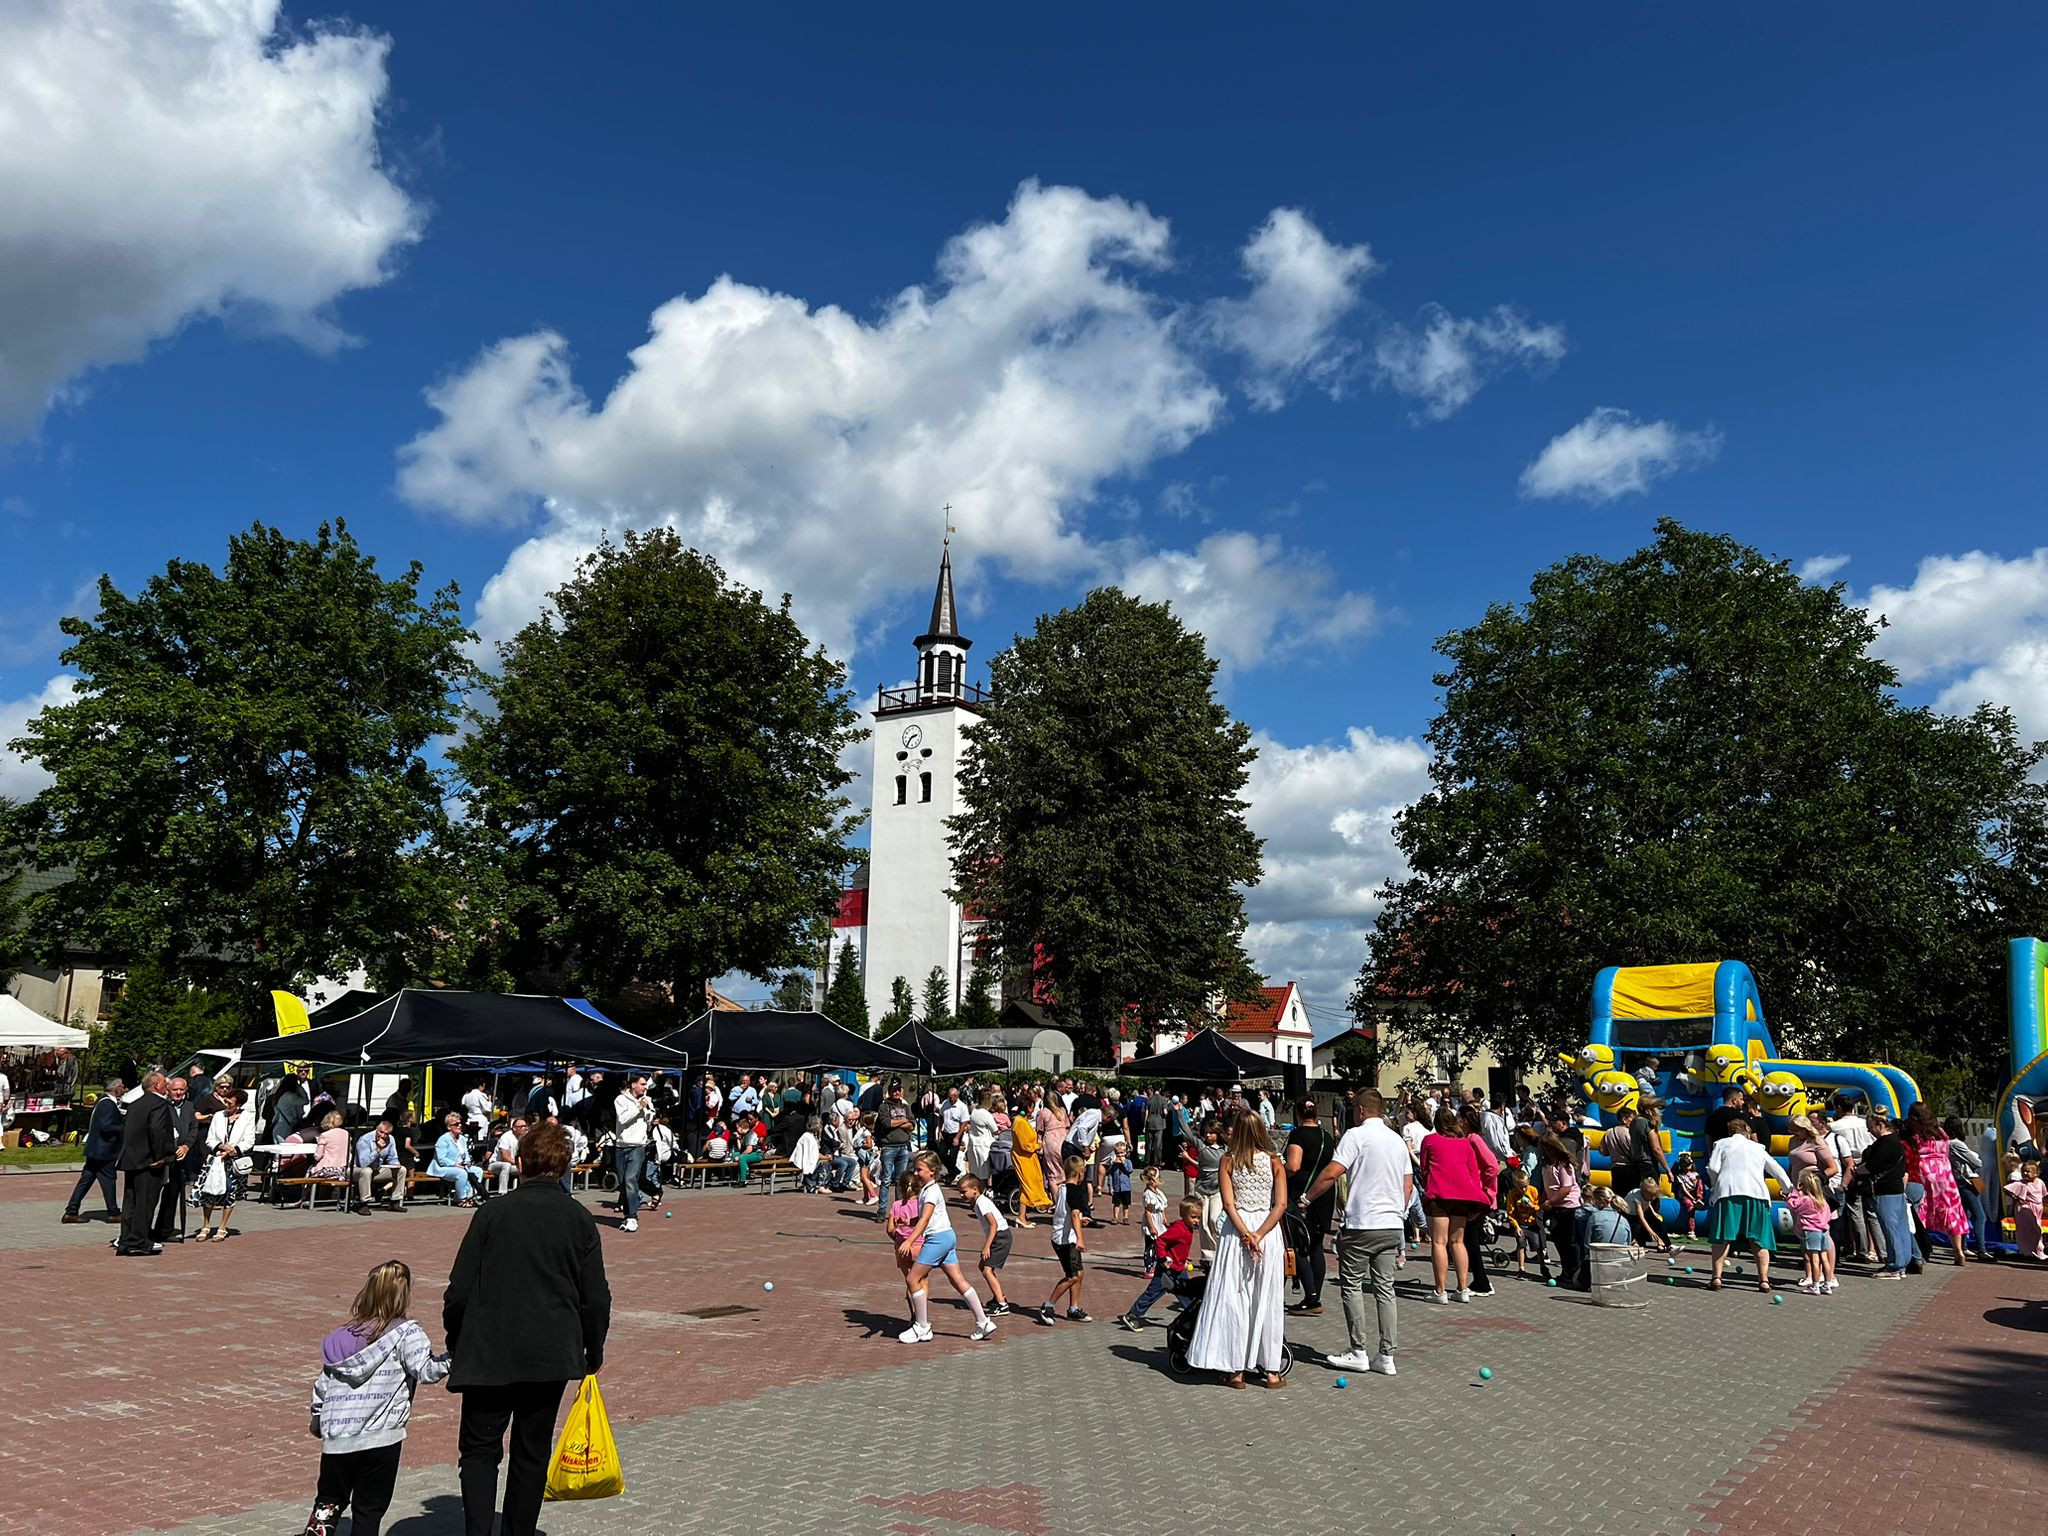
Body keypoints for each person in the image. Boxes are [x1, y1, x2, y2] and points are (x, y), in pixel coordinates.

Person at [444, 1124, 611, 1536]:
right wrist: (593, 1348)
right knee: (531, 1452)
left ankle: (478, 1530)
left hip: (488, 1350)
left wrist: (456, 1336)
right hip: (549, 1351)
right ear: (566, 1166)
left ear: (519, 1163)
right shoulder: (579, 1219)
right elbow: (596, 1298)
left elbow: (459, 1290)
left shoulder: (492, 1213)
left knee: (480, 1451)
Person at [303, 1260, 453, 1536]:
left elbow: (323, 1384)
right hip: (381, 1438)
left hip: (338, 1439)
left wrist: (317, 1417)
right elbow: (426, 1371)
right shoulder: (408, 1333)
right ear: (404, 1294)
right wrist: (453, 1358)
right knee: (368, 1511)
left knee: (327, 1504)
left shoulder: (340, 1338)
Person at [1302, 1088, 1409, 1376]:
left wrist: (1306, 1198)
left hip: (1363, 1223)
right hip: (1391, 1223)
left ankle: (1358, 1350)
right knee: (1385, 1289)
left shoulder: (1356, 1136)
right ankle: (1386, 1355)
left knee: (1352, 1285)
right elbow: (1407, 1181)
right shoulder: (1397, 1140)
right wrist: (1400, 1211)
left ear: (1361, 1110)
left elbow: (1332, 1172)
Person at [1187, 1110, 1288, 1390]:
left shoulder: (1228, 1161)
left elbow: (1229, 1204)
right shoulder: (1274, 1161)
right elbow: (1281, 1204)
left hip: (1237, 1230)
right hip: (1267, 1229)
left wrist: (1246, 1233)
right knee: (1266, 1297)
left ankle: (1236, 1371)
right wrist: (1260, 1233)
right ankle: (1271, 1371)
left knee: (1235, 1297)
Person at [894, 1151, 995, 1343]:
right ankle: (983, 1321)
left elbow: (925, 1219)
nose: (915, 1174)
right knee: (958, 1281)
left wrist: (909, 1240)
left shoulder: (931, 1191)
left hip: (938, 1239)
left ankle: (922, 1326)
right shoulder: (926, 1189)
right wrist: (909, 1220)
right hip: (947, 1236)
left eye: (919, 1170)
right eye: (915, 1170)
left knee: (913, 1279)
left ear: (932, 1171)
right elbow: (923, 1217)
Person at [1417, 1106, 1495, 1303]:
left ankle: (1440, 1290)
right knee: (1458, 1242)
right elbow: (1472, 1171)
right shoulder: (1464, 1143)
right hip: (1462, 1196)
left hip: (1439, 1194)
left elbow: (1424, 1168)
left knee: (1439, 1242)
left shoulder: (1430, 1140)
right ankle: (1462, 1288)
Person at [1705, 1118, 1794, 1291]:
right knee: (1759, 1239)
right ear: (1746, 1130)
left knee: (1722, 1237)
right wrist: (1787, 1188)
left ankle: (1716, 1278)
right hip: (1756, 1193)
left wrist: (1714, 1186)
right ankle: (1764, 1280)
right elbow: (1776, 1168)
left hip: (1728, 1192)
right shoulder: (1758, 1147)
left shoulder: (1721, 1144)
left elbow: (1713, 1168)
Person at [1117, 1195, 1203, 1329]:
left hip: (1179, 1269)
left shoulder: (1187, 1229)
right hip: (1167, 1270)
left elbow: (1178, 1248)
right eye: (1193, 1217)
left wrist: (1183, 1260)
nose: (1196, 1221)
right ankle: (1132, 1315)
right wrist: (1162, 1258)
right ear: (1183, 1215)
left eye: (1198, 1217)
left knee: (1185, 1291)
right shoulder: (1179, 1229)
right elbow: (1161, 1241)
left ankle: (1195, 1317)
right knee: (1153, 1292)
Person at [115, 1072, 176, 1257]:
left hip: (132, 1159)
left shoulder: (135, 1104)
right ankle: (138, 1242)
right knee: (145, 1202)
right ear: (156, 1085)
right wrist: (159, 1156)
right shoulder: (158, 1103)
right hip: (149, 1161)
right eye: (165, 1083)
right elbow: (156, 1129)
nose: (168, 1086)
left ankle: (126, 1239)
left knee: (131, 1202)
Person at [1285, 1098, 1336, 1316]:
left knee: (1299, 1246)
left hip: (1301, 1195)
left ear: (1298, 1114)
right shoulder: (1327, 1136)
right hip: (1323, 1195)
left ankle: (1311, 1297)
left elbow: (1294, 1166)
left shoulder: (1298, 1135)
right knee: (1316, 1244)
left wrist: (1279, 1168)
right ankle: (1315, 1295)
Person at [1902, 1102, 1969, 1266]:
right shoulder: (1939, 1131)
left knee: (1920, 1212)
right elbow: (1946, 1151)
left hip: (1924, 1171)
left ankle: (1922, 1252)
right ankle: (1958, 1250)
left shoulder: (1913, 1133)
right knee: (1952, 1211)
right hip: (1945, 1174)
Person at [194, 1086, 256, 1241]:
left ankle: (222, 1227)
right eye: (226, 1102)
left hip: (233, 1160)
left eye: (230, 1103)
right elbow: (210, 1138)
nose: (227, 1105)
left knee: (230, 1192)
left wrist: (232, 1151)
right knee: (208, 1192)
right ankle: (206, 1225)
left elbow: (249, 1140)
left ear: (239, 1105)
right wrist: (221, 1147)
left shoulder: (247, 1117)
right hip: (216, 1160)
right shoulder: (218, 1116)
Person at [62, 1079, 125, 1225]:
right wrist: (122, 1127)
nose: (124, 1090)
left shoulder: (104, 1102)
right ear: (115, 1089)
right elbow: (106, 1126)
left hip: (96, 1149)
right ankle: (113, 1212)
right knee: (108, 1180)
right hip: (103, 1150)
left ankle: (71, 1210)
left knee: (86, 1180)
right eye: (121, 1087)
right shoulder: (107, 1104)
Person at [1828, 1097, 1883, 1264]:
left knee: (1854, 1211)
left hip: (1850, 1166)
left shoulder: (1835, 1127)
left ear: (1838, 1108)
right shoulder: (1864, 1124)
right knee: (1871, 1211)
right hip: (1870, 1165)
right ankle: (1879, 1250)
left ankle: (1861, 1249)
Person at [1861, 1107, 1914, 1278]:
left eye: (1870, 1126)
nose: (1869, 1130)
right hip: (1897, 1188)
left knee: (1890, 1227)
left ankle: (1894, 1266)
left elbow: (1871, 1166)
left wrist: (1856, 1170)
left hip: (1884, 1190)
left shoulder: (1884, 1144)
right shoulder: (1897, 1141)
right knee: (1901, 1227)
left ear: (1880, 1125)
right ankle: (1902, 1263)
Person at [1038, 1155, 1091, 1325]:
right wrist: (1080, 1239)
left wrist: (1078, 1222)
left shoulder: (1062, 1188)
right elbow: (1074, 1214)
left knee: (1079, 1273)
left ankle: (1073, 1309)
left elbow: (1065, 1212)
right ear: (1080, 1173)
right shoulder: (1075, 1191)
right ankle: (1048, 1305)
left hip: (1063, 1235)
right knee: (1073, 1276)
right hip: (1065, 1240)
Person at [1538, 1133, 1587, 1290]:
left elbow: (1565, 1188)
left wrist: (1550, 1202)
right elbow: (1549, 1186)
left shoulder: (1563, 1164)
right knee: (1559, 1240)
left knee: (1571, 1242)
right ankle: (1567, 1270)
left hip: (1569, 1207)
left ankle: (1576, 1272)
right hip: (1555, 1207)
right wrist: (1543, 1199)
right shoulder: (1546, 1165)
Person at [958, 1173, 1012, 1315]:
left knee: (987, 1270)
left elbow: (993, 1224)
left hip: (1001, 1237)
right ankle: (999, 1296)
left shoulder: (982, 1203)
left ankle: (1002, 1304)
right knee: (983, 1266)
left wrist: (986, 1246)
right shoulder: (978, 1202)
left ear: (975, 1189)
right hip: (998, 1236)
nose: (961, 1195)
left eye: (964, 1192)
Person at [1943, 1115, 1992, 1259]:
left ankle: (1963, 1246)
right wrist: (1975, 1155)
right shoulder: (1957, 1144)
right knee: (1980, 1216)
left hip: (1955, 1181)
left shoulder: (1945, 1143)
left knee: (1962, 1214)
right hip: (1966, 1182)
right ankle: (1982, 1249)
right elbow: (1977, 1162)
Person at [611, 1073, 654, 1232]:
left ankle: (632, 1217)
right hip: (621, 1145)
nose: (645, 1087)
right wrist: (639, 1107)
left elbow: (649, 1121)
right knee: (623, 1182)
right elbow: (622, 1119)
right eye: (642, 1084)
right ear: (633, 1085)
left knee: (630, 1179)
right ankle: (627, 1215)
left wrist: (650, 1114)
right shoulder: (621, 1100)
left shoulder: (647, 1100)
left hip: (638, 1146)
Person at [1786, 1170, 1837, 1294]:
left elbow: (1791, 1205)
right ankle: (1828, 1284)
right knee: (1824, 1258)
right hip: (1823, 1231)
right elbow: (1828, 1216)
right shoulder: (1822, 1201)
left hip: (1811, 1231)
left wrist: (1795, 1192)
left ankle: (1815, 1285)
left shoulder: (1806, 1200)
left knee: (1814, 1258)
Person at [354, 1120, 407, 1213]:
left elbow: (392, 1157)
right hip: (357, 1170)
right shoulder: (365, 1139)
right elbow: (363, 1163)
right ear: (376, 1129)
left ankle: (395, 1202)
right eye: (381, 1132)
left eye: (386, 1134)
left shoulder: (391, 1139)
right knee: (367, 1171)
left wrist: (396, 1163)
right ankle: (364, 1204)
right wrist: (377, 1150)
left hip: (377, 1169)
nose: (383, 1136)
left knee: (402, 1170)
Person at [430, 1112, 478, 1206]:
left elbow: (466, 1154)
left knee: (478, 1171)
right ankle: (462, 1199)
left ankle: (470, 1196)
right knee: (462, 1173)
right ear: (449, 1127)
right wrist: (455, 1164)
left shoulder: (462, 1139)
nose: (460, 1126)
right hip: (443, 1167)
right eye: (456, 1124)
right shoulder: (443, 1140)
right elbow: (441, 1159)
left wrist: (467, 1162)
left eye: (460, 1123)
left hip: (461, 1166)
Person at [2004, 1158, 2045, 1259]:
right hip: (2025, 1208)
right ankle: (2028, 1251)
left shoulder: (2039, 1182)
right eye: (2024, 1171)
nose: (2025, 1173)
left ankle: (2036, 1250)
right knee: (2031, 1230)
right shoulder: (2021, 1183)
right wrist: (2016, 1197)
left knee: (2036, 1229)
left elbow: (2044, 1194)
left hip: (2037, 1208)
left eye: (2028, 1171)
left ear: (2036, 1173)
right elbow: (2006, 1188)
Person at [487, 1117, 527, 1195]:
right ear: (514, 1128)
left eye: (525, 1126)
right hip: (496, 1164)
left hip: (513, 1165)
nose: (524, 1128)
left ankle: (525, 1191)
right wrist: (519, 1163)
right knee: (506, 1165)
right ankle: (503, 1192)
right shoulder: (506, 1137)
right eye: (521, 1126)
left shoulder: (525, 1138)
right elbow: (505, 1157)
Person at [1671, 1153, 1705, 1240]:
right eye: (1685, 1165)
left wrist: (1697, 1198)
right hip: (1685, 1195)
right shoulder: (1680, 1176)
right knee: (1690, 1206)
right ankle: (1691, 1230)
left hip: (1695, 1194)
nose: (1687, 1167)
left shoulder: (1695, 1174)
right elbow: (1684, 1190)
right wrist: (1692, 1198)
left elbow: (1699, 1187)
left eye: (1689, 1165)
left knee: (1700, 1181)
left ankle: (1699, 1199)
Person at [1103, 1137, 1134, 1225]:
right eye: (1117, 1153)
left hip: (1126, 1187)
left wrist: (1123, 1163)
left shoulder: (1128, 1162)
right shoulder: (1114, 1164)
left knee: (1126, 1203)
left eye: (1121, 1153)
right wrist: (1110, 1187)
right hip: (1117, 1187)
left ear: (1125, 1153)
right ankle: (1115, 1217)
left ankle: (1125, 1217)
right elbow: (1111, 1176)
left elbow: (1130, 1170)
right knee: (1116, 1203)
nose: (1120, 1155)